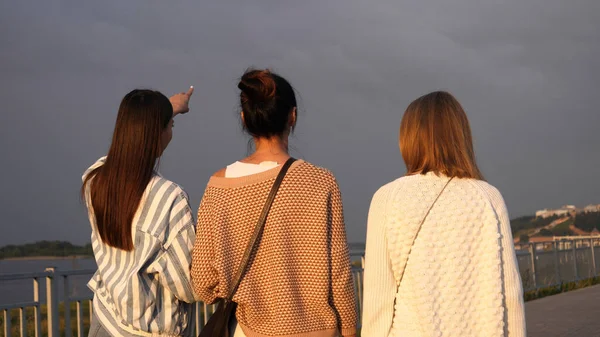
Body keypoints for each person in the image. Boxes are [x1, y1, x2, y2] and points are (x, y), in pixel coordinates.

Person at [191, 69, 357, 337]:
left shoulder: (219, 186)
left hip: (247, 330)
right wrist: (349, 329)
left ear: (244, 119)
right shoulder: (320, 182)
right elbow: (339, 273)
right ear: (293, 116)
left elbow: (202, 281)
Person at [361, 91, 526, 336]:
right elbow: (510, 296)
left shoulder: (387, 199)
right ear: (461, 136)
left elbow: (379, 301)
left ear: (409, 138)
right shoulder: (489, 197)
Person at [82, 87, 197, 337]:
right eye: (171, 127)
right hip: (148, 331)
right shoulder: (170, 198)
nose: (171, 133)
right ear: (159, 133)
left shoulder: (95, 180)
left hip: (105, 322)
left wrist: (169, 108)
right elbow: (188, 286)